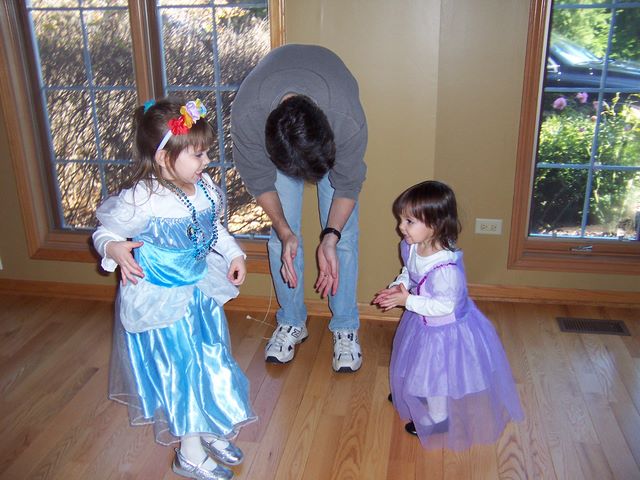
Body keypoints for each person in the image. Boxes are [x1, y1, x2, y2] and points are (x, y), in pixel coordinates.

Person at [92, 97, 256, 480]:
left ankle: (208, 425)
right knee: (183, 371)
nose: (206, 162)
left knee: (211, 359)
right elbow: (105, 231)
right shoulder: (144, 198)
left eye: (206, 153)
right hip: (162, 301)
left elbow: (215, 230)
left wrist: (234, 254)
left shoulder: (204, 188)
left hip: (197, 293)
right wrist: (113, 248)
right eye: (198, 155)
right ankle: (189, 454)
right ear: (164, 158)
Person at [231, 44, 367, 372]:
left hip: (332, 116)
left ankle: (345, 324)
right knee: (282, 240)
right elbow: (259, 181)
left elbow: (347, 185)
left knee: (343, 238)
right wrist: (284, 229)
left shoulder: (345, 119)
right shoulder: (248, 116)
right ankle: (291, 320)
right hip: (269, 124)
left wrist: (331, 236)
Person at [372, 180, 523, 450]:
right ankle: (415, 393)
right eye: (401, 220)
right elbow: (410, 272)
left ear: (435, 225)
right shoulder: (413, 246)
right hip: (423, 321)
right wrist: (400, 286)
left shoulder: (446, 269)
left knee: (436, 373)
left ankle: (439, 418)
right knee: (416, 360)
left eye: (409, 221)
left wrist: (408, 301)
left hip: (445, 331)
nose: (401, 227)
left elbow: (444, 307)